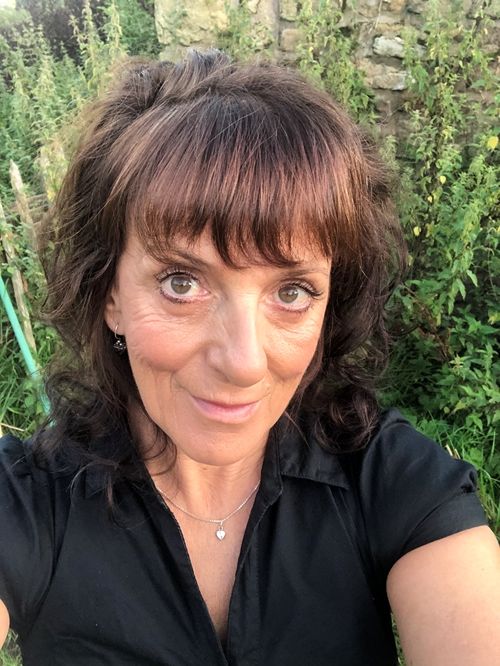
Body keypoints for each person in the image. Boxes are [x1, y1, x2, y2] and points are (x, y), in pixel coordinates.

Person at [0, 50, 498, 666]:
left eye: (292, 292)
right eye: (182, 282)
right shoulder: (28, 503)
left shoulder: (389, 481)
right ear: (110, 295)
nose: (244, 362)